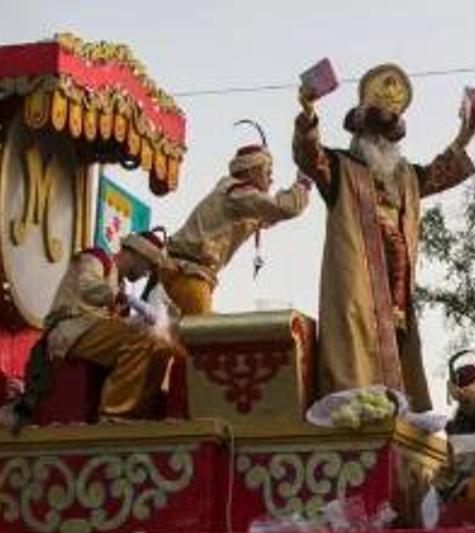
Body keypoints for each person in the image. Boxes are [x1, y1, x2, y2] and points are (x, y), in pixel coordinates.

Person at [294, 63, 475, 409]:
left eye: (387, 136)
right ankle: (355, 414)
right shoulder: (340, 167)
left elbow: (441, 170)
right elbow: (309, 156)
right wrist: (308, 109)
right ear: (359, 132)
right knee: (356, 354)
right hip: (357, 287)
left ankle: (394, 414)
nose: (380, 142)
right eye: (374, 134)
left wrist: (467, 132)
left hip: (397, 294)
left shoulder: (407, 179)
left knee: (396, 357)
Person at [158, 143, 310, 315]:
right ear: (251, 171)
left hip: (185, 273)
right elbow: (284, 208)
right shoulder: (239, 195)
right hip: (189, 274)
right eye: (267, 172)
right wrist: (303, 183)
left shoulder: (237, 196)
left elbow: (271, 215)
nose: (271, 179)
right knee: (202, 337)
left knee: (184, 334)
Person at [41, 231, 175, 421]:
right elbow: (87, 287)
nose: (147, 274)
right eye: (149, 266)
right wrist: (123, 298)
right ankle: (114, 415)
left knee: (161, 344)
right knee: (144, 336)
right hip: (73, 329)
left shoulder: (119, 285)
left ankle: (141, 412)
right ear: (138, 253)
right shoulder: (95, 258)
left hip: (94, 331)